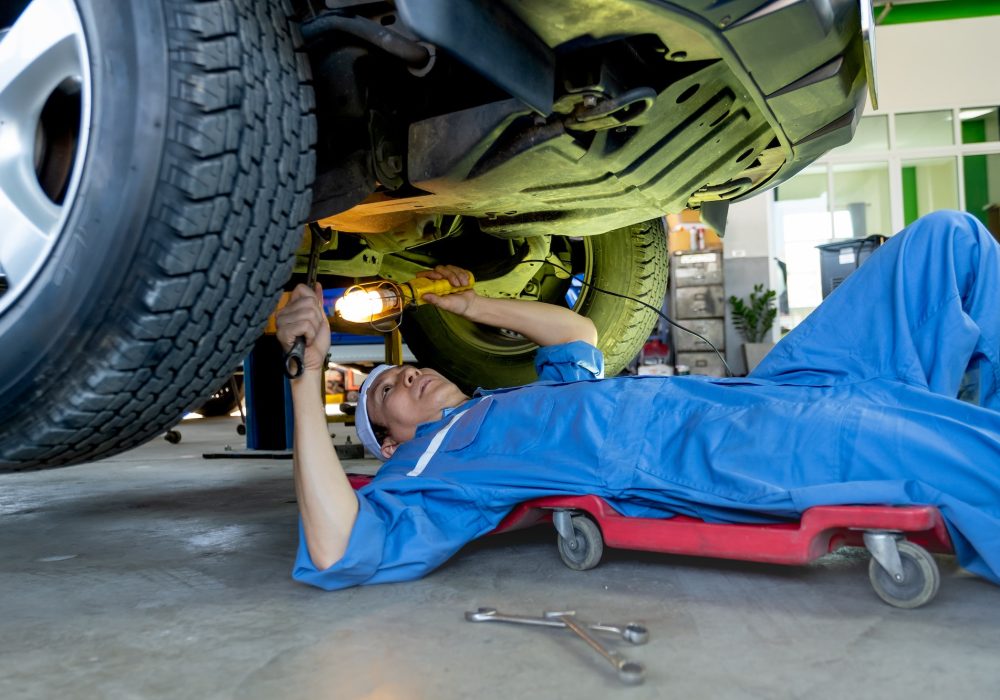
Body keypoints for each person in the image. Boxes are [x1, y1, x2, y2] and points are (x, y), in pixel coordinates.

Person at [275, 210, 1000, 591]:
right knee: (938, 449)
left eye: (403, 372)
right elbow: (338, 548)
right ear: (391, 445)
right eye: (386, 395)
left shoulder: (508, 400)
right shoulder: (436, 469)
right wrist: (307, 375)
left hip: (760, 390)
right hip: (719, 449)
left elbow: (577, 333)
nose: (406, 378)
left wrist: (469, 304)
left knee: (947, 244)